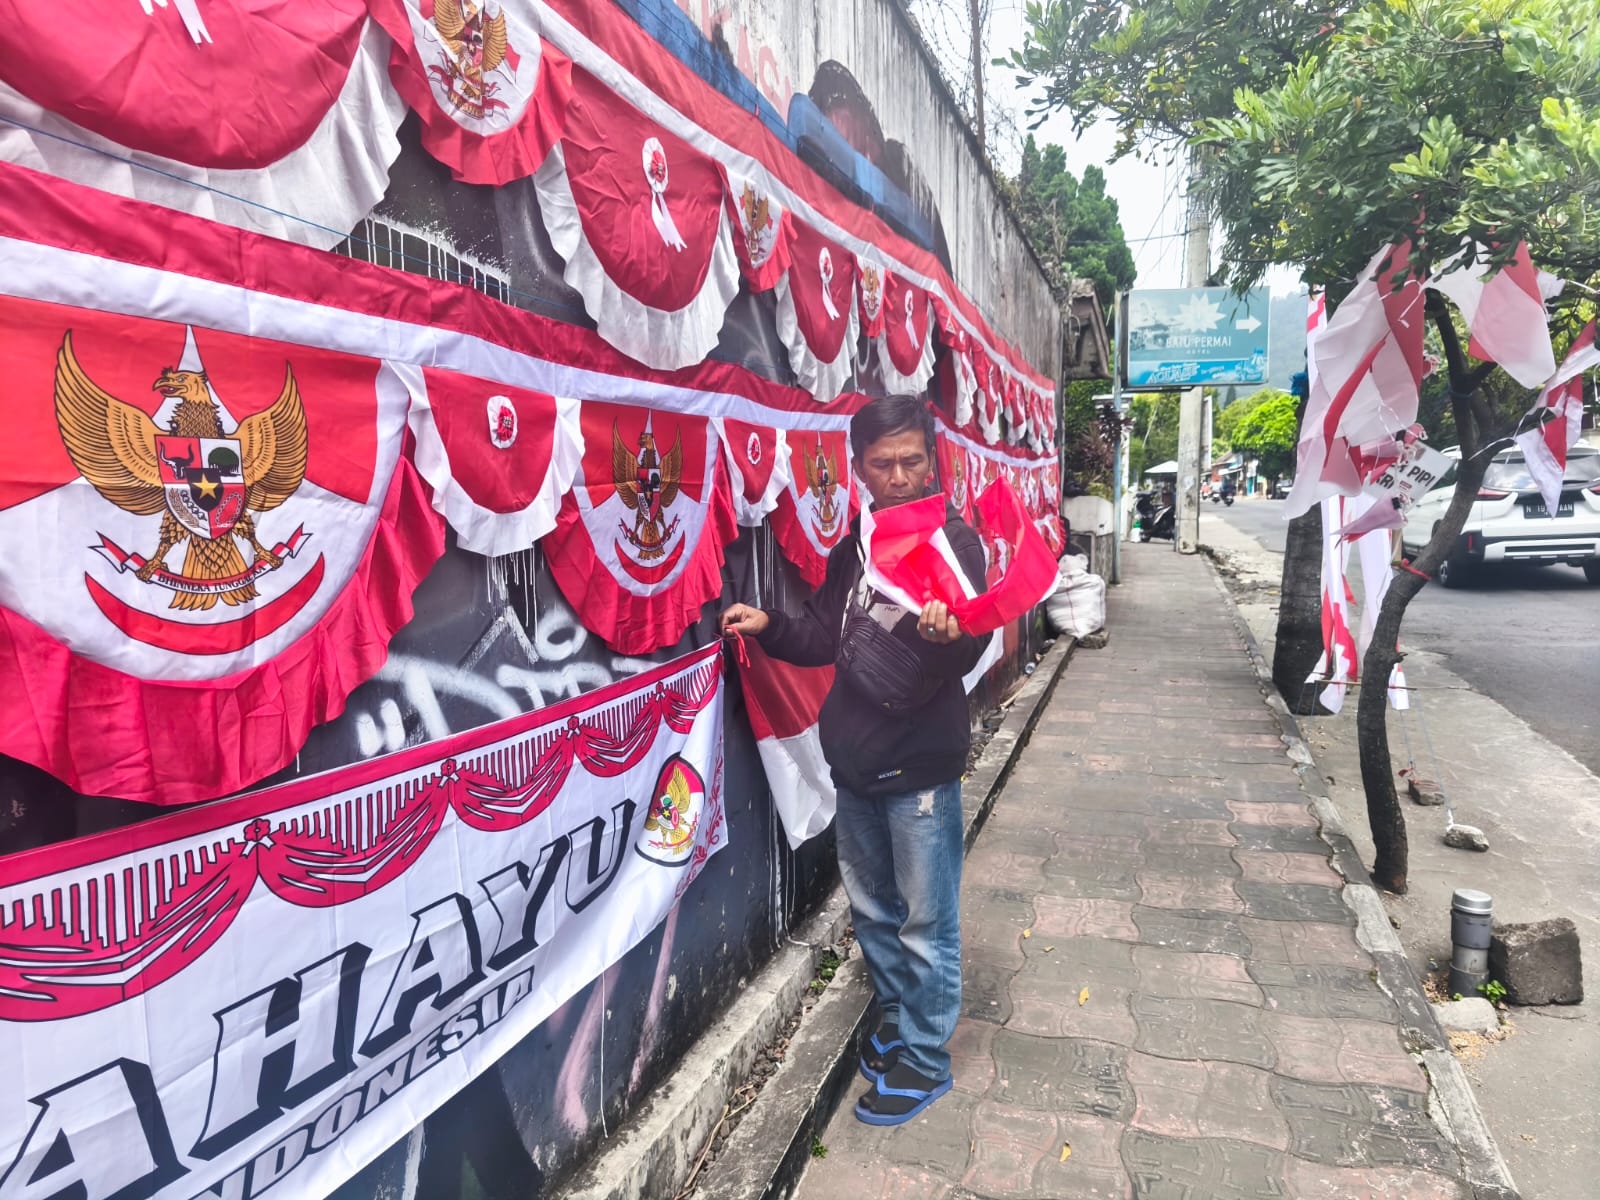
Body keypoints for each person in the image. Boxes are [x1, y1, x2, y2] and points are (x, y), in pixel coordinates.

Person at [720, 395, 986, 1126]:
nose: (899, 476)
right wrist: (770, 625)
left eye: (912, 460)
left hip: (921, 769)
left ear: (932, 459)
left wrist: (946, 636)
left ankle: (928, 1061)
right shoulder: (856, 547)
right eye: (883, 462)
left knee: (927, 925)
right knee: (874, 914)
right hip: (856, 767)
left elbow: (971, 648)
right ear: (860, 468)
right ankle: (902, 1021)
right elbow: (827, 642)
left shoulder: (954, 543)